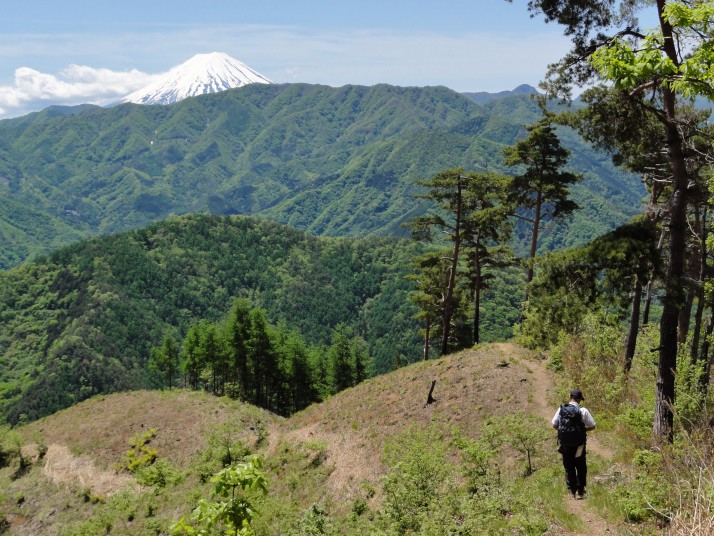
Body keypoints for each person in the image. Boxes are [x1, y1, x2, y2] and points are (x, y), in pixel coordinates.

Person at [551, 388, 596, 499]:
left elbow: (554, 424)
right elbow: (592, 426)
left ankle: (572, 490)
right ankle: (581, 490)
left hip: (566, 444)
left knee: (569, 466)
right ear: (580, 399)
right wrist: (582, 430)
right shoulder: (583, 411)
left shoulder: (561, 409)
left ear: (570, 397)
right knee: (580, 465)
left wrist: (562, 430)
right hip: (579, 445)